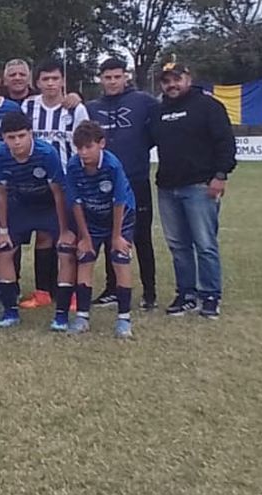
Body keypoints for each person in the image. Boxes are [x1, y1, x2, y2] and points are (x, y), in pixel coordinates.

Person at [155, 61, 235, 318]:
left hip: (200, 186)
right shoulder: (159, 110)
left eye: (176, 79)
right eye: (166, 81)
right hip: (167, 187)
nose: (172, 85)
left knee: (205, 244)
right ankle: (186, 294)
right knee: (178, 246)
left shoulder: (208, 106)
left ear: (188, 79)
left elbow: (226, 143)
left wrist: (220, 175)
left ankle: (210, 295)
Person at [0, 111, 74, 331]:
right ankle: (10, 312)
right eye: (11, 137)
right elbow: (0, 192)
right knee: (3, 251)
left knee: (65, 250)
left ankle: (61, 315)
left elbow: (58, 192)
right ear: (3, 138)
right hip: (21, 206)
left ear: (31, 134)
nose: (17, 142)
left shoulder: (47, 153)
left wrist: (64, 229)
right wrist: (3, 230)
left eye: (21, 136)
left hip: (49, 206)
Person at [86, 55, 158, 309]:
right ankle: (112, 289)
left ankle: (149, 293)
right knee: (110, 236)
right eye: (108, 77)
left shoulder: (144, 102)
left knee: (141, 236)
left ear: (126, 77)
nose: (113, 81)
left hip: (136, 180)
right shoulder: (92, 108)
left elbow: (157, 131)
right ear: (100, 79)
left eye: (118, 76)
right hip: (104, 183)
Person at [20, 58, 89, 307]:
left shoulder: (75, 109)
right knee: (43, 235)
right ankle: (43, 292)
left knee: (69, 236)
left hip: (68, 182)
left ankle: (72, 293)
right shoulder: (28, 106)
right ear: (37, 82)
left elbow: (84, 144)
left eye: (55, 78)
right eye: (45, 79)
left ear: (63, 81)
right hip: (37, 184)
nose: (50, 83)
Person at [64, 121, 136, 339]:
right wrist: (84, 236)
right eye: (79, 148)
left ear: (101, 144)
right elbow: (75, 202)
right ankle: (82, 317)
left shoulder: (112, 165)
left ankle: (124, 319)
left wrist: (117, 236)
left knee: (119, 257)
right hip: (91, 216)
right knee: (85, 257)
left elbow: (119, 201)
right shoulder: (74, 166)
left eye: (89, 147)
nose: (83, 153)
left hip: (120, 216)